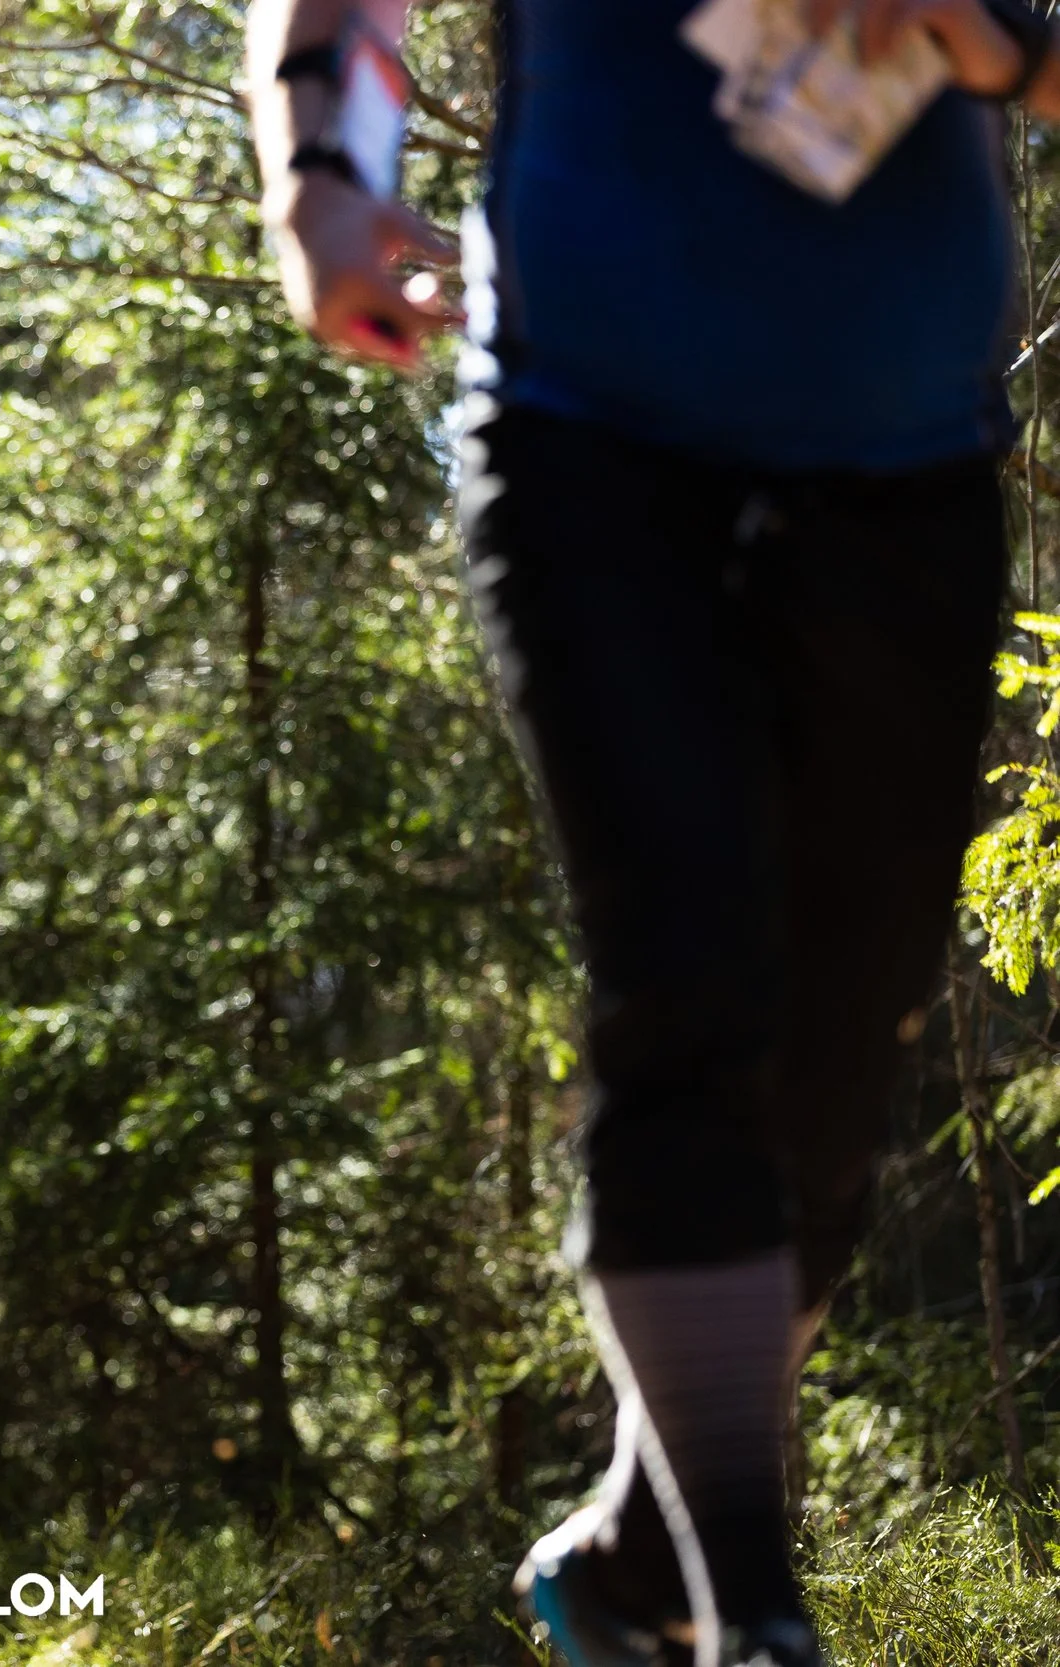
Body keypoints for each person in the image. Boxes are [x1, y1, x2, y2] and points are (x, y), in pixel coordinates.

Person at [247, 2, 1059, 1665]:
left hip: (911, 451)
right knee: (688, 979)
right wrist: (323, 176)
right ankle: (750, 1608)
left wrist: (997, 38)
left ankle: (638, 1546)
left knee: (837, 1068)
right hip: (588, 425)